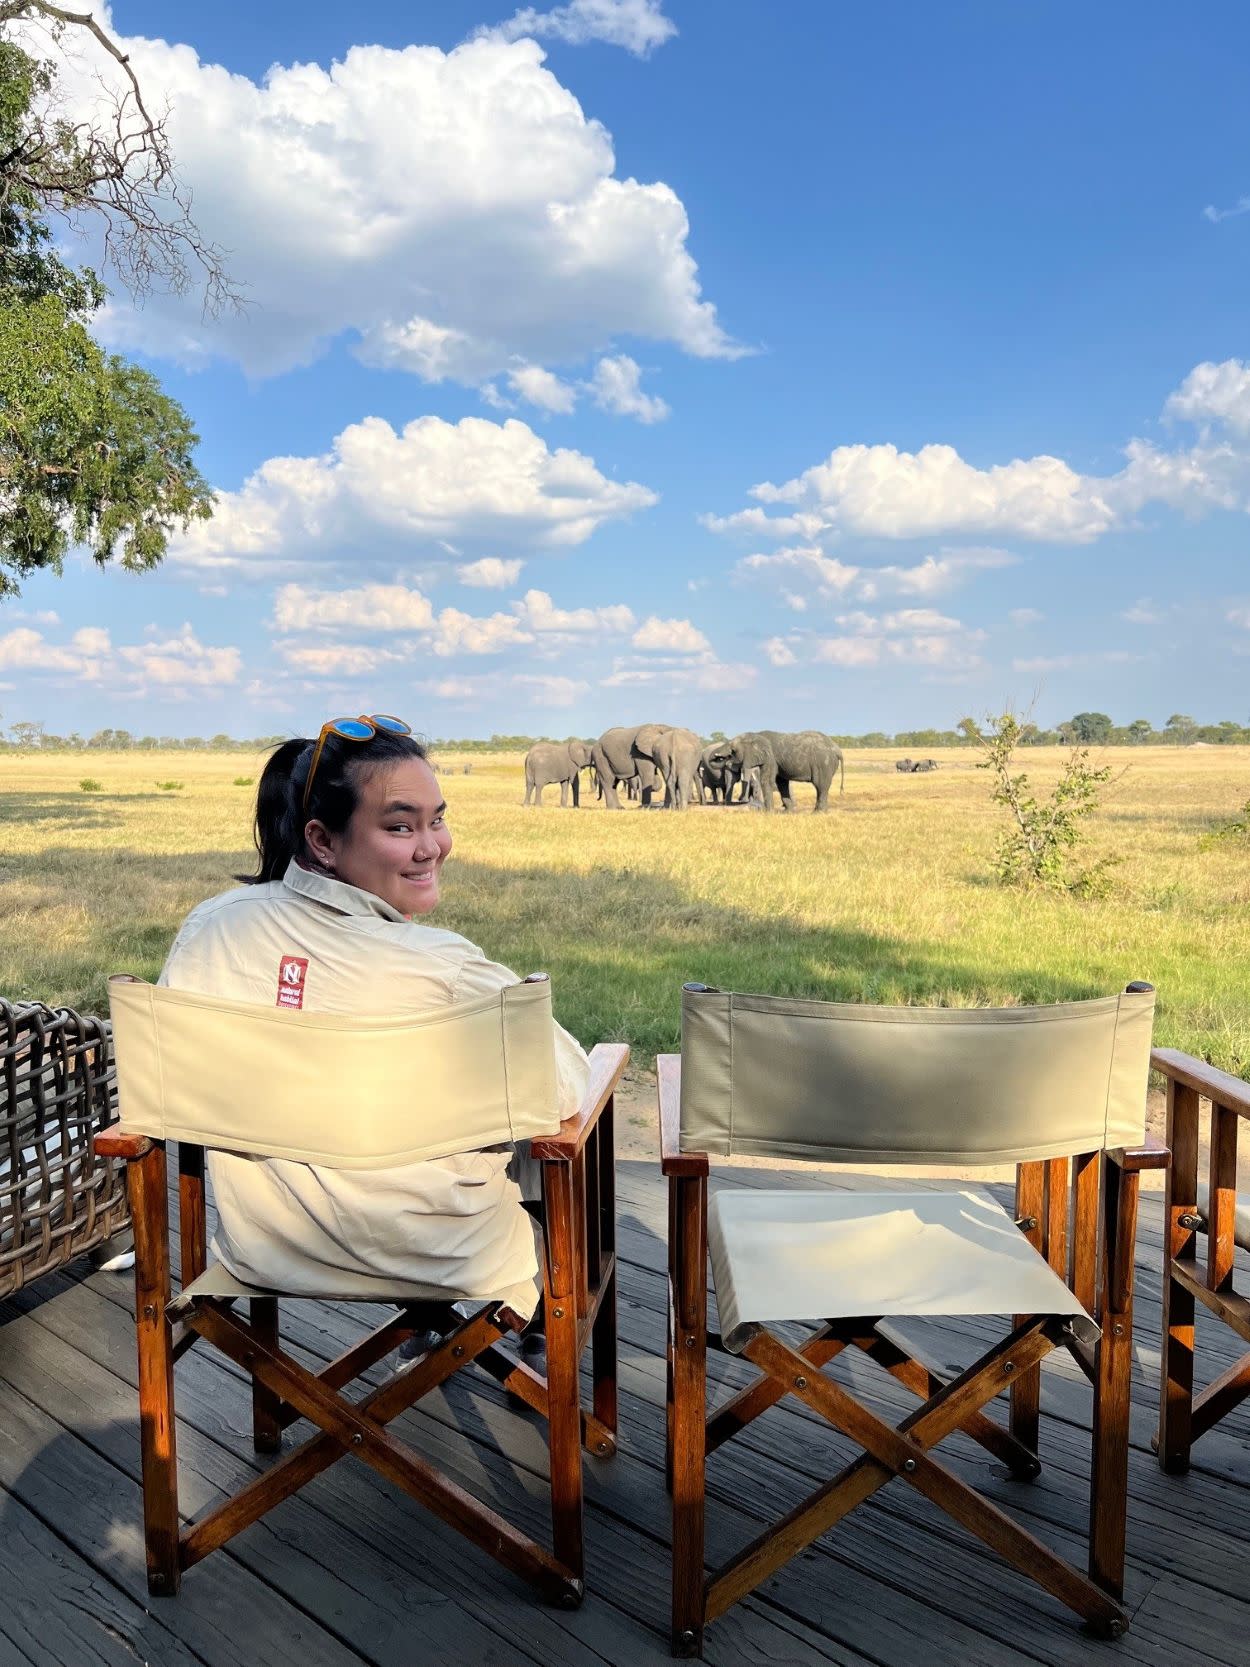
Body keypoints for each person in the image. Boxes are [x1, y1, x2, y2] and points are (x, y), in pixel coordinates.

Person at [157, 714, 590, 1366]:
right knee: (538, 1119)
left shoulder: (210, 928)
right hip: (441, 1251)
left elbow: (168, 1079)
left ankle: (422, 1333)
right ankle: (529, 1321)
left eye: (435, 819)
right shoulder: (444, 967)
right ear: (323, 841)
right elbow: (566, 1084)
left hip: (264, 1245)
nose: (432, 846)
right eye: (399, 826)